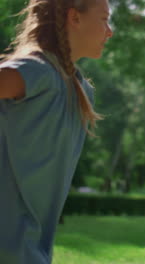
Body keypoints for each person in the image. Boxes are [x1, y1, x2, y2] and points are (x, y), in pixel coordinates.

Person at [0, 0, 113, 263]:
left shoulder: (81, 90)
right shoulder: (36, 71)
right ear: (75, 18)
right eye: (104, 19)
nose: (110, 31)